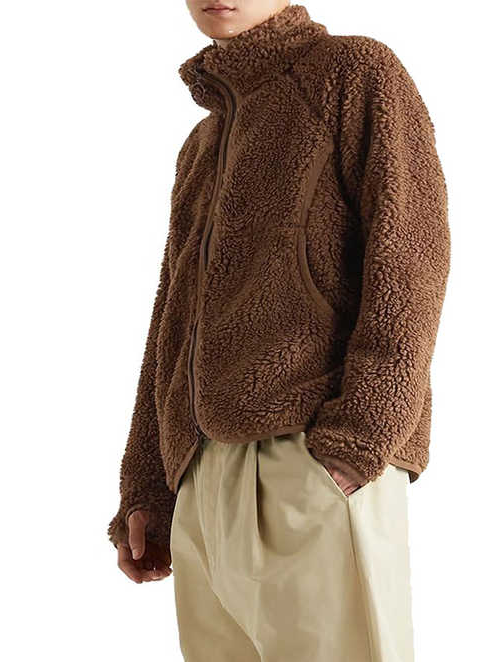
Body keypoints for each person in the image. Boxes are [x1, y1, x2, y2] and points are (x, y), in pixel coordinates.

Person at [108, 1, 450, 660]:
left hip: (313, 458)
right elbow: (173, 315)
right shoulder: (204, 142)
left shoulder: (353, 72)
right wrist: (147, 484)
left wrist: (357, 443)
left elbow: (410, 260)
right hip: (201, 475)